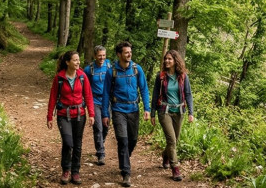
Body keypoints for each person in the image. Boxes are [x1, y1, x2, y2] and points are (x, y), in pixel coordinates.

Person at [102, 41, 150, 187]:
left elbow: (144, 89)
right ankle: (126, 173)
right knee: (122, 140)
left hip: (134, 109)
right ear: (119, 54)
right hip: (118, 110)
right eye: (126, 52)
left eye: (130, 52)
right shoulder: (112, 72)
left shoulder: (137, 69)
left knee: (133, 140)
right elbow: (105, 94)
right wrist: (105, 114)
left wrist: (147, 109)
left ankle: (124, 159)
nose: (129, 54)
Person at [47, 51, 94, 185]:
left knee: (77, 144)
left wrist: (91, 114)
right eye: (75, 60)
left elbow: (88, 96)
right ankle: (66, 170)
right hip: (63, 115)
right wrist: (49, 116)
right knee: (68, 143)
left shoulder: (82, 76)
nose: (78, 62)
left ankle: (75, 171)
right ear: (67, 62)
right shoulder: (59, 78)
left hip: (79, 115)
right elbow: (52, 98)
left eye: (78, 60)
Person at [150, 49, 195, 181]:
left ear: (176, 61)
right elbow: (154, 95)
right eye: (166, 59)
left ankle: (166, 156)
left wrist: (191, 112)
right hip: (164, 111)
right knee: (172, 140)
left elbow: (188, 94)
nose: (167, 61)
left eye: (170, 59)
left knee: (175, 140)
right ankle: (175, 169)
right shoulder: (161, 76)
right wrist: (153, 113)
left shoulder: (183, 76)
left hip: (179, 112)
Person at [83, 45, 112, 166]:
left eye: (104, 55)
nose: (102, 58)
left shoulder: (110, 66)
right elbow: (85, 86)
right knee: (98, 127)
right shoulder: (89, 70)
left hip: (108, 101)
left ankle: (101, 142)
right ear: (95, 56)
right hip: (94, 100)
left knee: (106, 126)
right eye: (99, 55)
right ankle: (100, 153)